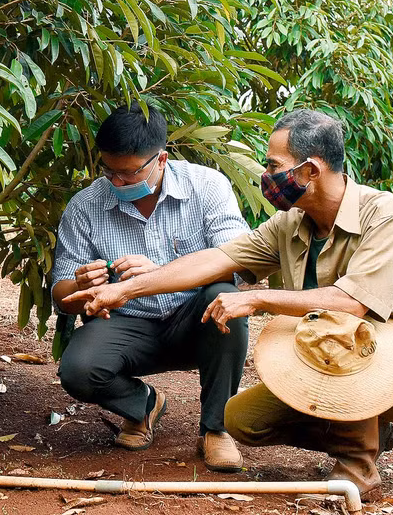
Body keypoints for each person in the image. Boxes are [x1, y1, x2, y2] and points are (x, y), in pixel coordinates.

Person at [65, 109, 393, 499]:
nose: (267, 176)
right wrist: (127, 290)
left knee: (344, 330)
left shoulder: (387, 215)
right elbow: (217, 259)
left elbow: (349, 304)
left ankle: (357, 468)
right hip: (323, 358)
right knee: (243, 421)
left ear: (310, 170)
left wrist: (256, 298)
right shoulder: (291, 222)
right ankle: (363, 428)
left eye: (273, 165)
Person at [51, 103, 250, 472]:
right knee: (78, 370)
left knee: (226, 297)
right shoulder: (86, 205)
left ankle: (216, 429)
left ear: (161, 159)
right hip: (128, 327)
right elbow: (61, 296)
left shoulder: (207, 187)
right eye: (109, 171)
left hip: (197, 320)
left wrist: (157, 275)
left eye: (127, 174)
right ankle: (143, 404)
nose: (117, 183)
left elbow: (238, 262)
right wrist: (79, 286)